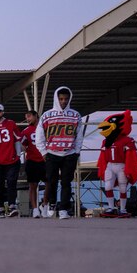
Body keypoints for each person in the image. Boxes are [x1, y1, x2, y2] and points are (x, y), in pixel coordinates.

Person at [35, 87, 84, 220]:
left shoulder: (75, 115)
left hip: (69, 154)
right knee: (51, 181)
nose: (63, 101)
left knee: (66, 182)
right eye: (61, 99)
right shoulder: (46, 115)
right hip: (51, 153)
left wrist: (77, 151)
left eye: (66, 99)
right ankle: (51, 203)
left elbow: (79, 135)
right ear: (56, 98)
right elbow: (39, 135)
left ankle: (63, 209)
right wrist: (44, 152)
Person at [97, 110, 137, 218]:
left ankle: (123, 209)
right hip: (110, 166)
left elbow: (131, 156)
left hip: (121, 166)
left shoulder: (127, 140)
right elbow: (103, 157)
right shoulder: (105, 141)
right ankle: (111, 208)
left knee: (122, 188)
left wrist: (129, 169)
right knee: (108, 186)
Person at [19, 111, 49, 219]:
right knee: (33, 185)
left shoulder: (45, 128)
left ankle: (44, 206)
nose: (28, 119)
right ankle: (35, 209)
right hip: (32, 161)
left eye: (29, 116)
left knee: (49, 183)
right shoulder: (26, 131)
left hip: (45, 159)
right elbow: (21, 145)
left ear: (36, 116)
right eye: (26, 117)